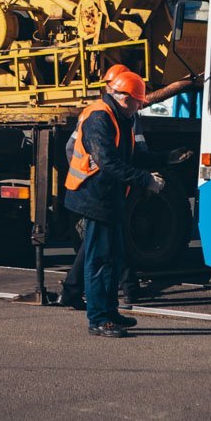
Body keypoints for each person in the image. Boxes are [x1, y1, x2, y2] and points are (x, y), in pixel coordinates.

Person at [63, 71, 167, 337]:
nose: (139, 106)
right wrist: (145, 180)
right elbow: (108, 163)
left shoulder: (121, 117)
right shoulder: (100, 117)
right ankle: (98, 319)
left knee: (112, 258)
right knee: (99, 260)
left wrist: (167, 158)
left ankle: (109, 313)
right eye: (137, 101)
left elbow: (130, 156)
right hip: (94, 198)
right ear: (123, 98)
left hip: (109, 198)